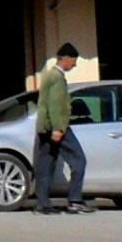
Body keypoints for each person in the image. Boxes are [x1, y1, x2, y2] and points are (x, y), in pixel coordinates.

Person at [33, 41, 91, 214]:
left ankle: (42, 204)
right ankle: (75, 200)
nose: (74, 65)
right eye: (74, 60)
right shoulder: (57, 77)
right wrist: (58, 128)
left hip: (44, 127)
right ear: (65, 59)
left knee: (45, 165)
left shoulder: (47, 75)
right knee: (79, 159)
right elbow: (56, 105)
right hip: (57, 127)